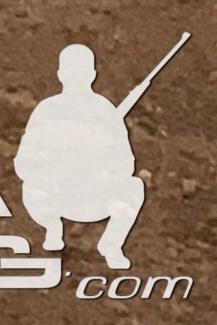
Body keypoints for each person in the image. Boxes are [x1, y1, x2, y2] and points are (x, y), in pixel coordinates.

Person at [16, 43, 153, 269]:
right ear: (60, 74)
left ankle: (111, 244)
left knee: (133, 187)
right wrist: (56, 165)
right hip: (55, 195)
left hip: (94, 196)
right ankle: (52, 227)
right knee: (32, 187)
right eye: (71, 70)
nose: (76, 76)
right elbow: (24, 162)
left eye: (81, 70)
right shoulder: (47, 110)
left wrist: (97, 164)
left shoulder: (106, 112)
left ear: (92, 74)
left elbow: (126, 164)